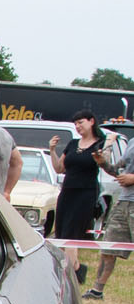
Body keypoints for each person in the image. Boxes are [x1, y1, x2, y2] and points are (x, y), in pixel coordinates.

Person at [47, 110, 108, 285]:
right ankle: (76, 270)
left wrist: (102, 157)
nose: (78, 127)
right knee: (63, 233)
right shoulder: (73, 144)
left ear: (91, 121)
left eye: (81, 122)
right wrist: (52, 150)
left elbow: (105, 164)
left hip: (85, 193)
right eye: (76, 124)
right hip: (67, 192)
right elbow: (59, 168)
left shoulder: (101, 144)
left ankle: (68, 275)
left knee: (71, 234)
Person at [84, 139, 134, 299]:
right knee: (108, 248)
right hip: (124, 202)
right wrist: (103, 163)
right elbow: (118, 170)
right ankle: (97, 291)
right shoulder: (132, 142)